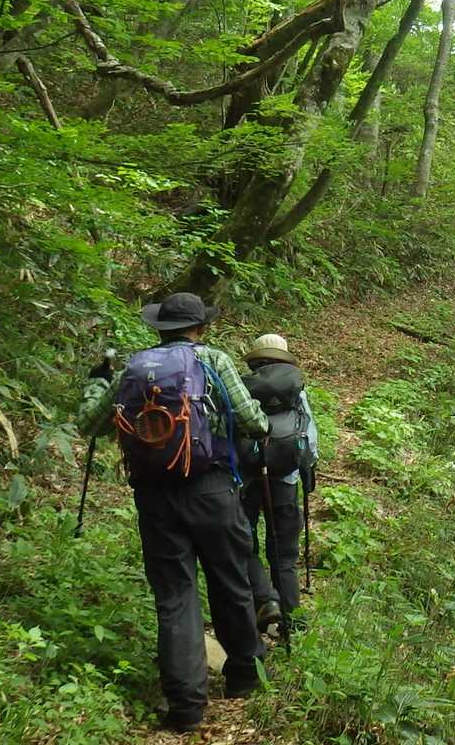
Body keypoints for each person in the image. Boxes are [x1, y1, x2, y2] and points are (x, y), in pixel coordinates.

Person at [77, 291, 269, 733]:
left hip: (155, 496)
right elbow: (253, 422)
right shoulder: (213, 360)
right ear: (201, 327)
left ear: (159, 329)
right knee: (230, 580)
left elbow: (91, 425)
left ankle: (185, 705)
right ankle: (244, 675)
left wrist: (96, 384)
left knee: (174, 594)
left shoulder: (134, 367)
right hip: (212, 488)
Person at [237, 333, 318, 640]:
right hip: (284, 480)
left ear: (254, 360)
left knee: (245, 546)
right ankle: (292, 623)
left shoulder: (243, 388)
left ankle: (264, 601)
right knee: (283, 556)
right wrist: (306, 470)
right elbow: (309, 435)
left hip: (248, 479)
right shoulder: (296, 389)